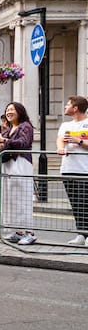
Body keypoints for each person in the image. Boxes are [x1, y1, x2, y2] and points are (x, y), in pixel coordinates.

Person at [0, 101, 36, 245]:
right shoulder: (8, 129)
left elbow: (23, 143)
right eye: (7, 109)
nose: (9, 112)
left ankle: (29, 232)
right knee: (10, 198)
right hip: (8, 165)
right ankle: (17, 231)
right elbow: (0, 143)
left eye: (12, 110)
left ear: (20, 111)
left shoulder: (25, 126)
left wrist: (3, 140)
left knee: (22, 198)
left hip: (21, 164)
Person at [56, 95, 88, 246]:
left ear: (75, 108)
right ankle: (81, 234)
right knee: (75, 203)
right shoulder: (65, 125)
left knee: (85, 203)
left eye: (68, 104)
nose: (65, 106)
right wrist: (61, 148)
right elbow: (60, 139)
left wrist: (79, 141)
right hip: (68, 169)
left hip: (85, 170)